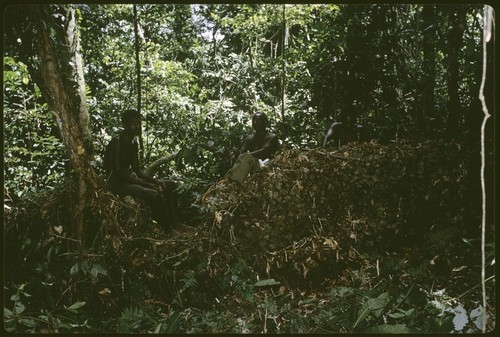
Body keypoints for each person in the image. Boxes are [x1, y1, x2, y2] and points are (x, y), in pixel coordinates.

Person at [105, 109, 193, 236]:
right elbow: (118, 173)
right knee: (153, 194)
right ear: (125, 125)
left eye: (138, 123)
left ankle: (176, 223)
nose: (137, 127)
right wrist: (147, 185)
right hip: (118, 184)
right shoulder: (117, 142)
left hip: (128, 179)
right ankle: (168, 230)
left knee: (171, 185)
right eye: (134, 124)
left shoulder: (133, 142)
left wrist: (155, 181)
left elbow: (137, 171)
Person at [225, 112, 280, 183]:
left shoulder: (272, 137)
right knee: (237, 154)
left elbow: (264, 150)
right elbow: (241, 153)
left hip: (267, 164)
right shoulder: (249, 138)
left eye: (258, 120)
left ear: (265, 122)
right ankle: (232, 180)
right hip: (252, 165)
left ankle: (235, 181)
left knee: (245, 158)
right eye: (253, 121)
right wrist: (234, 153)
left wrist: (245, 156)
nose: (255, 123)